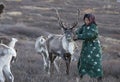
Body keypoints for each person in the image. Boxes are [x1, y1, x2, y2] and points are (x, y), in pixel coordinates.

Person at [74, 13, 103, 81]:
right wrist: (73, 34)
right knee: (83, 62)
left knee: (95, 63)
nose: (86, 21)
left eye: (88, 20)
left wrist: (78, 36)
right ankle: (82, 76)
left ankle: (99, 78)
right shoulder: (83, 26)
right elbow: (77, 32)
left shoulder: (94, 27)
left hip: (94, 48)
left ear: (91, 20)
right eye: (85, 20)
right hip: (86, 48)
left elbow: (90, 35)